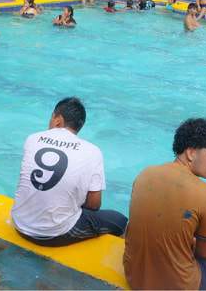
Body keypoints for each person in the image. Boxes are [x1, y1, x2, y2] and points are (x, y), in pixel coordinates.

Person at [124, 118, 206, 290]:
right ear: (190, 153)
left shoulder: (144, 174)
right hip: (178, 285)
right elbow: (205, 254)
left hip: (134, 277)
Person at [11, 97, 127, 246]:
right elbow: (94, 205)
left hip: (19, 222)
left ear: (58, 119)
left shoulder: (32, 139)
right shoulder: (92, 151)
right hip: (52, 234)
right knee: (120, 221)